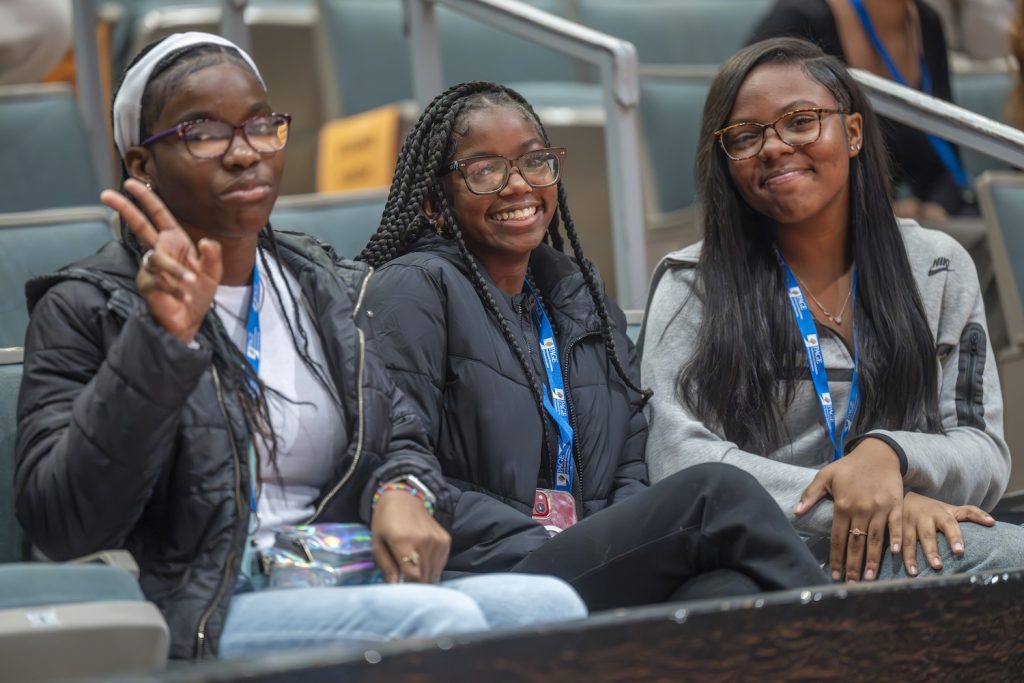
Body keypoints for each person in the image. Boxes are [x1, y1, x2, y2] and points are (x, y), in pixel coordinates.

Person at [14, 33, 585, 662]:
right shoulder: (87, 306)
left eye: (261, 126)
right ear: (142, 165)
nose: (244, 154)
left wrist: (402, 491)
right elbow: (62, 520)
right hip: (199, 599)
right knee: (434, 617)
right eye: (203, 133)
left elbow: (397, 433)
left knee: (552, 607)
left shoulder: (317, 281)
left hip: (336, 571)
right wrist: (158, 341)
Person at [358, 81, 827, 610]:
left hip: (589, 556)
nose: (519, 186)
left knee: (728, 595)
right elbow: (398, 460)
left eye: (535, 162)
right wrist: (559, 540)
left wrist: (617, 540)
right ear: (433, 201)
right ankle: (862, 642)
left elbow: (631, 450)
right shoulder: (413, 289)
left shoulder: (576, 292)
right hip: (486, 566)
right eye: (485, 171)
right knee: (718, 494)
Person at [641, 37, 1024, 585]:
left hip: (913, 541)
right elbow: (677, 459)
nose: (773, 147)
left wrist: (889, 456)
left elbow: (982, 450)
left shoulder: (937, 266)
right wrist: (861, 504)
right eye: (745, 137)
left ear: (852, 133)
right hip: (759, 551)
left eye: (800, 120)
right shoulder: (691, 282)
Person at [747, 0, 973, 221]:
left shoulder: (926, 22)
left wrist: (938, 206)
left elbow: (945, 152)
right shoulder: (798, 18)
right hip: (821, 228)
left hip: (909, 223)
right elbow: (757, 148)